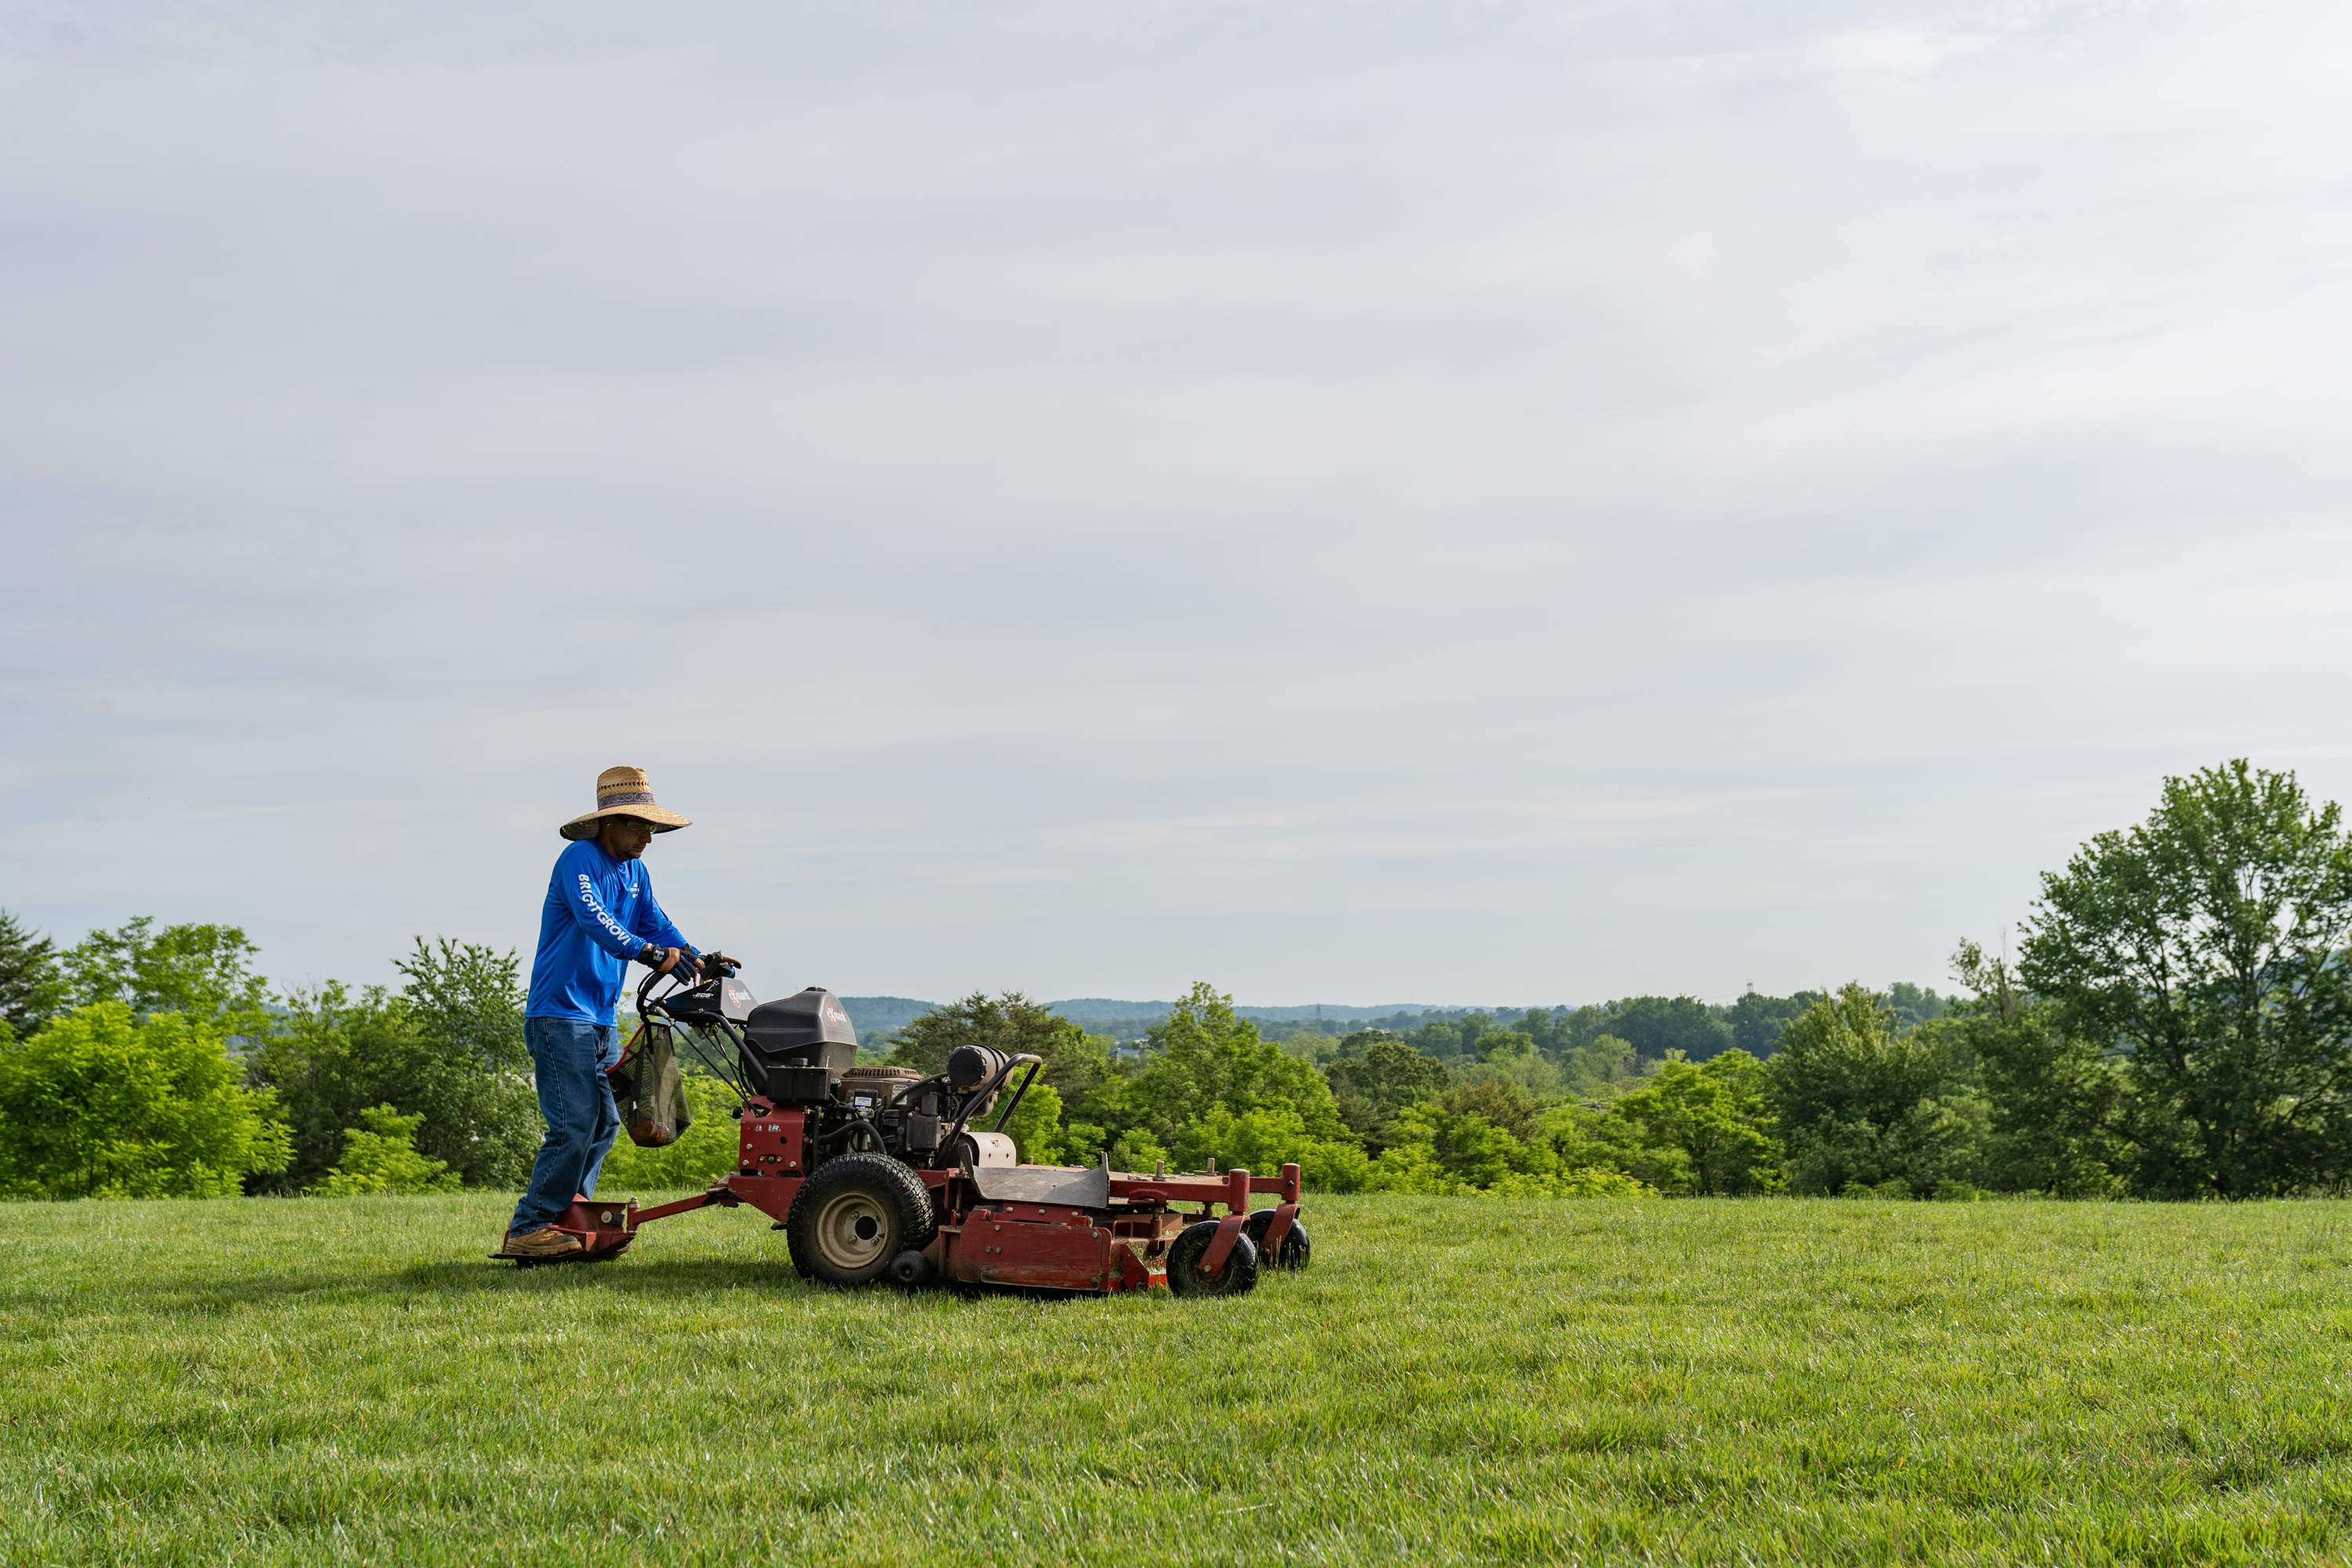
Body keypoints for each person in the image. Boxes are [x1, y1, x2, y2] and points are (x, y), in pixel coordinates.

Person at [500, 765, 703, 1258]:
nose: (647, 838)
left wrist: (696, 957)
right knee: (573, 1124)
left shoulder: (636, 872)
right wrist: (649, 954)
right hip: (559, 1016)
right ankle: (529, 1226)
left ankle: (570, 1211)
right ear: (608, 823)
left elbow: (656, 922)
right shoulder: (578, 860)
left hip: (600, 1020)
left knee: (606, 1123)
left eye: (651, 828)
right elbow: (598, 921)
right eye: (638, 826)